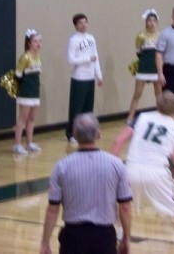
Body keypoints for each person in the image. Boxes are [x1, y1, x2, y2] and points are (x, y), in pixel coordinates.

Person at [111, 91, 174, 254]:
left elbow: (117, 142)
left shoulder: (141, 117)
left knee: (121, 206)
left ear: (157, 103)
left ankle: (117, 238)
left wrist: (111, 167)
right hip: (157, 172)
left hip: (131, 169)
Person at [40, 113, 132, 254]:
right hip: (104, 236)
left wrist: (45, 243)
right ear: (98, 134)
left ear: (75, 135)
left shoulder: (61, 166)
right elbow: (124, 207)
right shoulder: (116, 165)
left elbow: (53, 209)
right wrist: (126, 238)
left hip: (73, 236)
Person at [66, 13, 102, 145]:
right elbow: (71, 59)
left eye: (85, 22)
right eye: (80, 23)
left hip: (90, 77)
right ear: (76, 25)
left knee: (88, 107)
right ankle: (71, 133)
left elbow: (95, 57)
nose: (83, 25)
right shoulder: (73, 40)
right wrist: (87, 59)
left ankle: (87, 132)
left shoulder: (91, 38)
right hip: (79, 78)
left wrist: (99, 74)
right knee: (76, 108)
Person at [127, 8, 162, 124]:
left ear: (157, 23)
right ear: (146, 22)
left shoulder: (161, 36)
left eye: (154, 20)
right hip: (143, 67)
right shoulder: (141, 36)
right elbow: (138, 52)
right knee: (137, 94)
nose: (151, 23)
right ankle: (130, 118)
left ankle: (161, 116)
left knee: (159, 94)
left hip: (156, 69)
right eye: (149, 20)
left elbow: (162, 54)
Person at [13, 29, 43, 155]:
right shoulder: (25, 57)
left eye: (39, 41)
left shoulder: (37, 56)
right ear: (29, 43)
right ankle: (17, 144)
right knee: (23, 118)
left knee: (32, 118)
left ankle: (29, 142)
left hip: (35, 91)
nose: (38, 44)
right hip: (25, 92)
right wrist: (19, 91)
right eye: (35, 41)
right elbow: (17, 75)